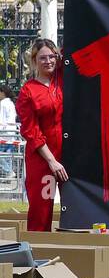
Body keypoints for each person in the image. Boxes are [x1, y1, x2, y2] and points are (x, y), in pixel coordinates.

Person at [16, 38, 66, 232]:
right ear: (35, 60)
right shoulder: (28, 91)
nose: (49, 61)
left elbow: (73, 45)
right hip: (42, 160)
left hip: (67, 155)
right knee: (41, 211)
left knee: (76, 208)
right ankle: (37, 253)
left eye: (52, 57)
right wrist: (52, 161)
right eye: (43, 58)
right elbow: (31, 131)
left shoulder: (61, 79)